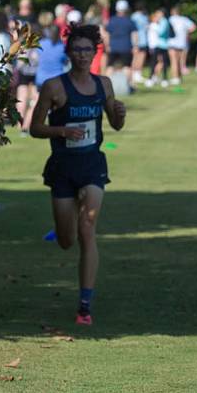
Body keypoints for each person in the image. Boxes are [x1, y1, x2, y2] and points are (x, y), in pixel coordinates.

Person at [30, 24, 127, 326]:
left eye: (88, 49)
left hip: (92, 165)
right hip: (62, 167)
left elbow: (115, 124)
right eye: (77, 49)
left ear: (95, 51)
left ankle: (85, 305)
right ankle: (62, 228)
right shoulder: (53, 86)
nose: (83, 55)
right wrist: (61, 130)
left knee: (88, 229)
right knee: (66, 240)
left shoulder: (104, 84)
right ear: (68, 52)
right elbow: (34, 127)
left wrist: (120, 114)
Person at [105, 0, 135, 80]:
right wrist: (135, 46)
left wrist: (107, 46)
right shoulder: (130, 21)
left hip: (113, 47)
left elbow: (107, 34)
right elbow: (134, 35)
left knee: (110, 66)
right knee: (127, 67)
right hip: (126, 47)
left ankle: (105, 87)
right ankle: (128, 86)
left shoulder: (111, 20)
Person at [167, 5, 196, 85]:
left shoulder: (170, 19)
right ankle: (179, 78)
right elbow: (193, 27)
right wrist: (186, 32)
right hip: (182, 43)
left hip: (172, 42)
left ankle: (175, 78)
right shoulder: (184, 19)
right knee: (179, 61)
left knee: (173, 61)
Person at [146, 8, 170, 88]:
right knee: (154, 62)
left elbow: (161, 32)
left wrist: (152, 26)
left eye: (158, 13)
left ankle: (164, 79)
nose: (157, 15)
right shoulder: (160, 21)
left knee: (163, 62)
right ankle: (152, 78)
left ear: (162, 14)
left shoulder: (164, 21)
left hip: (163, 45)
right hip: (157, 44)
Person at [130, 3, 149, 85]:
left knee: (139, 57)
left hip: (141, 39)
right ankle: (135, 74)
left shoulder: (139, 16)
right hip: (139, 39)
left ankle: (137, 74)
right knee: (138, 57)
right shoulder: (137, 17)